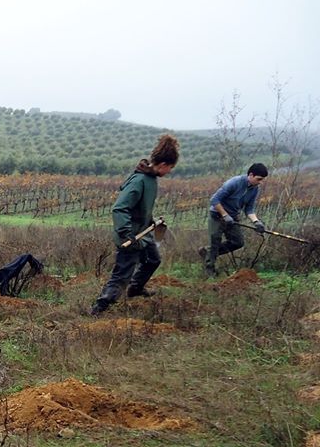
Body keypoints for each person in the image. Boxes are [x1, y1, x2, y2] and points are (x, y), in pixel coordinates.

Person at [89, 134, 180, 316]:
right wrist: (125, 232)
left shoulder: (151, 179)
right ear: (163, 165)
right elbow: (120, 208)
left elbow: (141, 207)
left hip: (142, 234)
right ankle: (100, 307)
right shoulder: (139, 181)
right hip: (130, 237)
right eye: (170, 168)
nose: (169, 171)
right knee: (121, 274)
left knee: (153, 260)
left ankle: (135, 288)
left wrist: (151, 221)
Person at [200, 163, 269, 276]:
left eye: (262, 180)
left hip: (233, 217)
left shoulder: (255, 189)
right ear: (251, 175)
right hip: (217, 214)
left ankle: (207, 252)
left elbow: (249, 209)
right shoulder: (234, 182)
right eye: (258, 179)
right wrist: (224, 215)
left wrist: (257, 222)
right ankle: (209, 271)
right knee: (215, 240)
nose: (260, 182)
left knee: (238, 242)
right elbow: (214, 200)